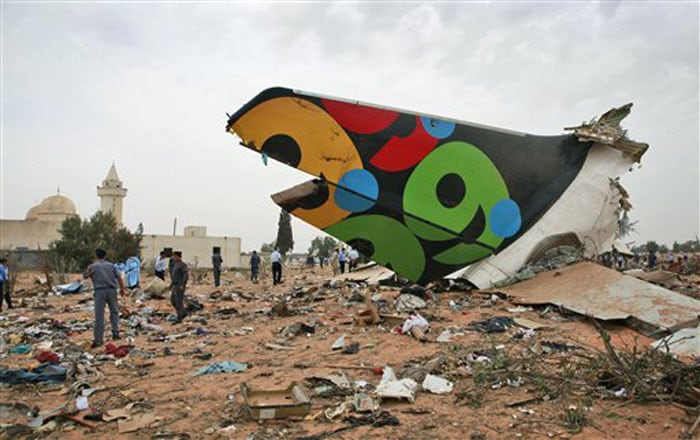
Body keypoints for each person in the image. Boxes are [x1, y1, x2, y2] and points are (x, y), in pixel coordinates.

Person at [87, 249, 125, 348]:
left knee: (99, 315)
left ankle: (98, 339)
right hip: (112, 291)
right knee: (114, 312)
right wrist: (122, 289)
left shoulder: (92, 266)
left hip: (99, 292)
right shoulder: (111, 266)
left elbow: (88, 276)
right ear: (105, 256)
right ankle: (116, 333)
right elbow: (119, 277)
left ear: (96, 256)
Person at [169, 251, 189, 324]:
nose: (173, 258)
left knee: (178, 302)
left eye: (174, 256)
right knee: (173, 300)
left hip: (179, 285)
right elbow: (174, 276)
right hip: (175, 285)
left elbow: (185, 275)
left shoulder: (182, 265)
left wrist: (183, 284)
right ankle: (183, 312)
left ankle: (179, 318)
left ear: (178, 257)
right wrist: (170, 285)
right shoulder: (175, 265)